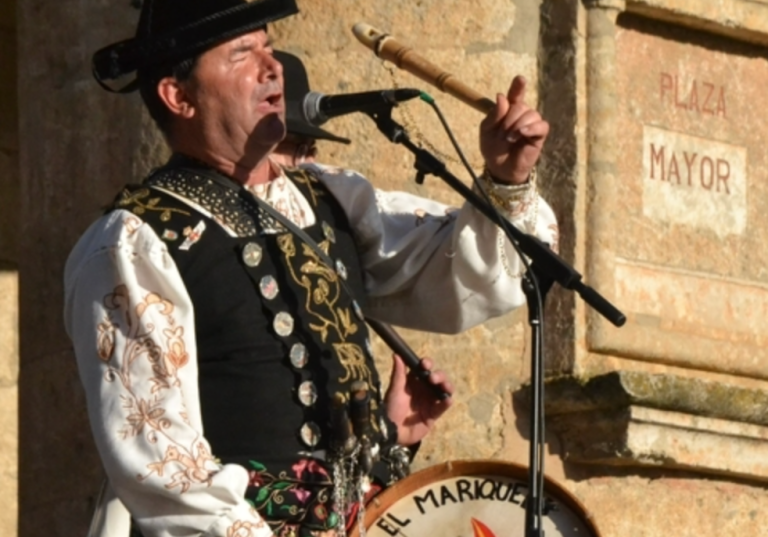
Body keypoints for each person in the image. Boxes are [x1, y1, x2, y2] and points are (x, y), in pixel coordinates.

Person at [65, 1, 556, 537]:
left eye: (269, 46)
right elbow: (161, 461)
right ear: (177, 95)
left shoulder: (331, 197)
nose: (271, 66)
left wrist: (505, 181)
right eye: (242, 54)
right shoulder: (134, 241)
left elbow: (468, 275)